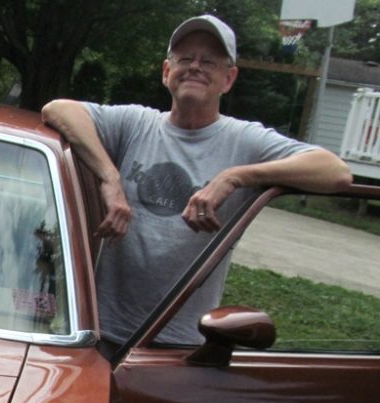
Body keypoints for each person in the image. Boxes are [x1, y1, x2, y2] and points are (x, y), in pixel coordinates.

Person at [41, 14, 351, 351]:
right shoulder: (134, 124)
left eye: (209, 62)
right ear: (166, 72)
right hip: (99, 334)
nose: (195, 67)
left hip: (180, 346)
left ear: (228, 78)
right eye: (185, 59)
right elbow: (59, 109)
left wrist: (236, 176)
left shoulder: (245, 141)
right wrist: (110, 177)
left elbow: (335, 171)